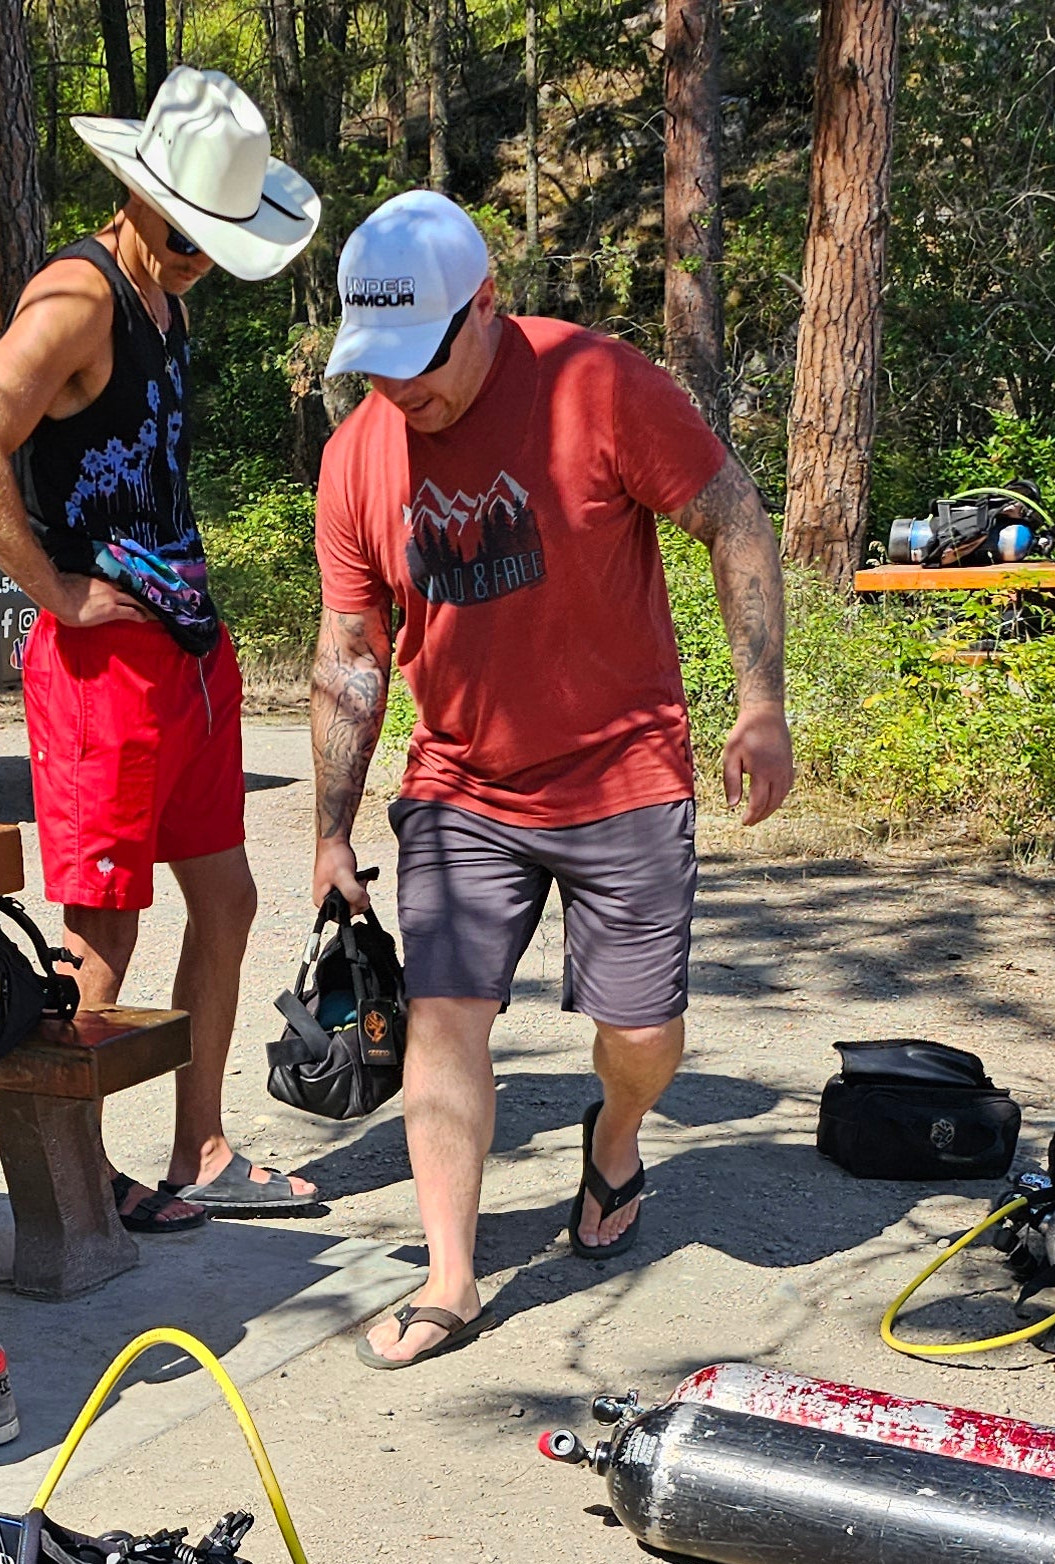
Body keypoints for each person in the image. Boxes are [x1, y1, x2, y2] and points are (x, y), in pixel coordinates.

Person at [304, 191, 794, 1368]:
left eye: (419, 362)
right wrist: (328, 831)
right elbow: (350, 654)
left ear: (486, 308)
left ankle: (615, 1138)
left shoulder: (598, 383)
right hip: (462, 787)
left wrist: (761, 703)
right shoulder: (356, 454)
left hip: (623, 772)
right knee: (444, 1019)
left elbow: (732, 516)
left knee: (641, 1032)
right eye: (376, 368)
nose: (399, 393)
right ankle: (452, 1277)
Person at [0, 69, 326, 1233]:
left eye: (219, 242)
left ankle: (200, 1151)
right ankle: (77, 1184)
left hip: (189, 652)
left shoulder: (167, 299)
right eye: (189, 236)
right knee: (102, 928)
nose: (201, 257)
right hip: (104, 671)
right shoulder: (77, 297)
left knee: (230, 897)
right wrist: (53, 589)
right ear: (140, 197)